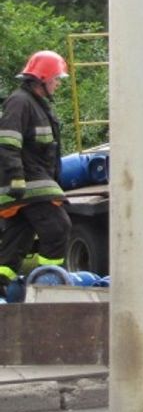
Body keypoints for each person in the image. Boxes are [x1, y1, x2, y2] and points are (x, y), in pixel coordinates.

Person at [0, 50, 73, 300]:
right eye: (56, 78)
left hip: (33, 180)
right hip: (26, 182)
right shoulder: (20, 102)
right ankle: (48, 286)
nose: (58, 83)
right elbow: (8, 142)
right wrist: (16, 177)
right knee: (58, 226)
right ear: (42, 78)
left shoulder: (36, 104)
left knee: (15, 242)